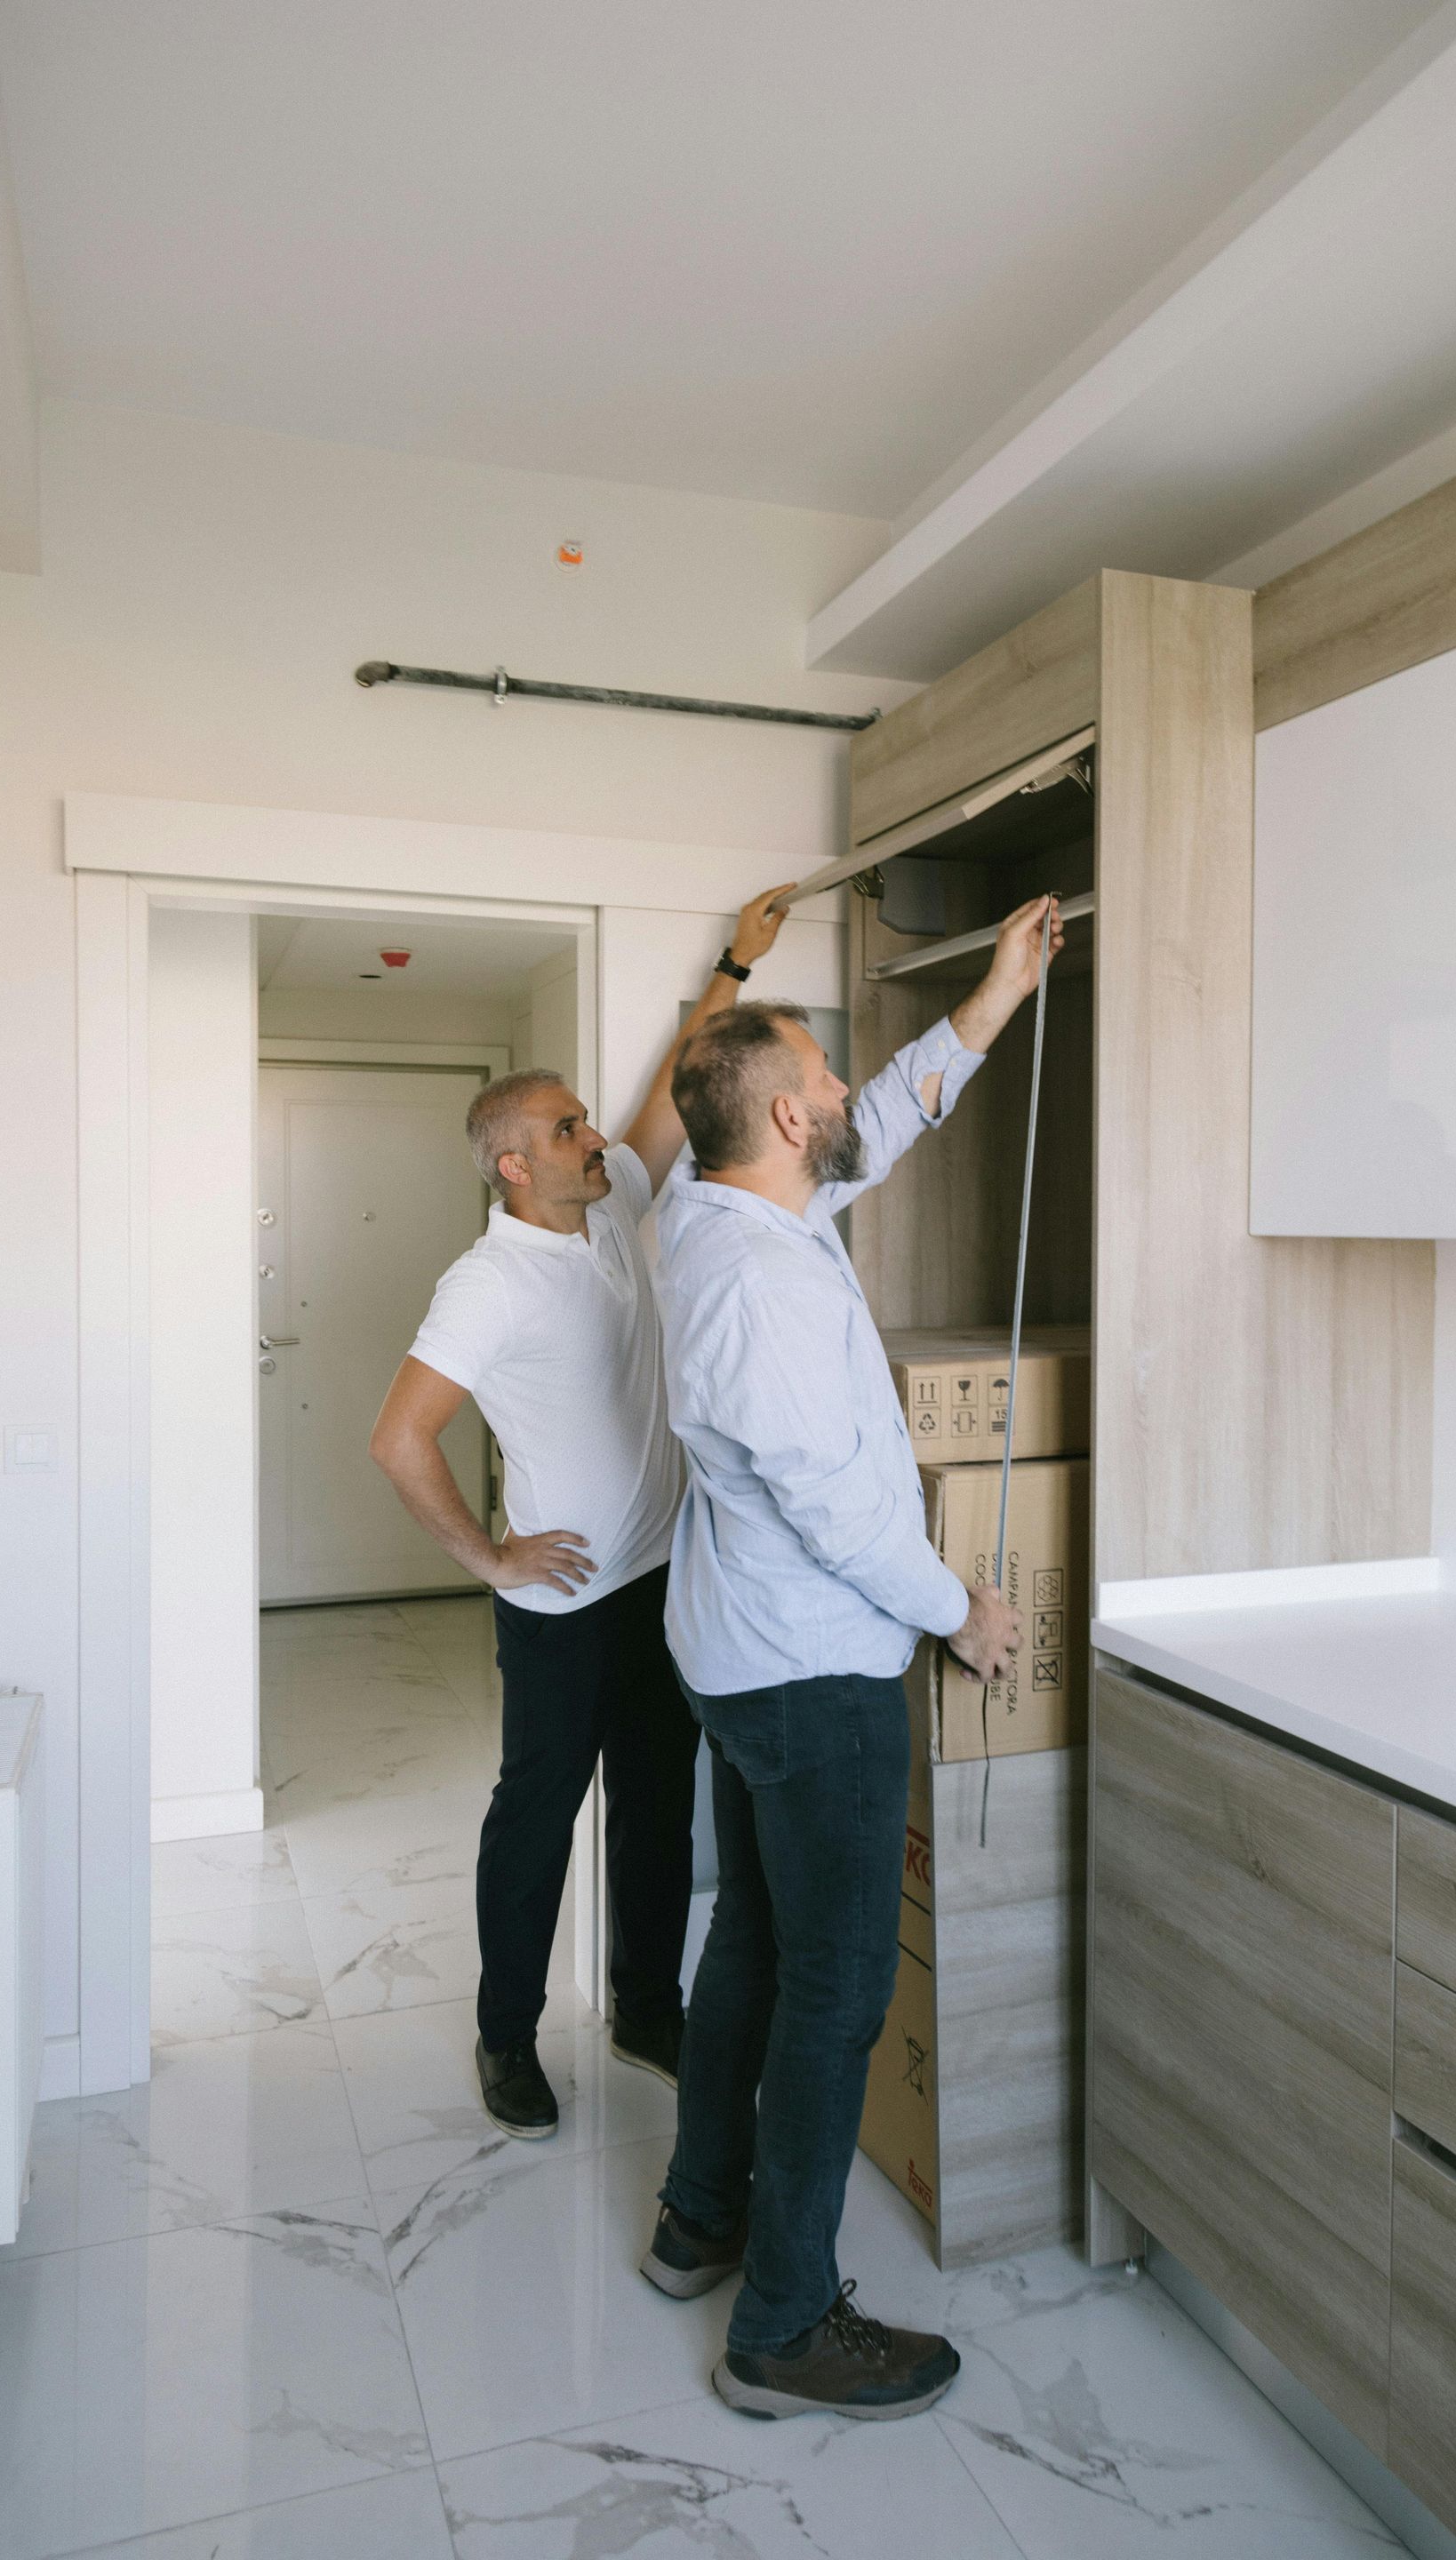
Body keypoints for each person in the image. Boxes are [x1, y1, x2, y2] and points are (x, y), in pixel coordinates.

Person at [638, 893, 1060, 2419]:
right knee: (832, 1990)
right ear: (777, 1115)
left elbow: (882, 1119)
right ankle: (786, 2324)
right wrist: (966, 1610)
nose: (840, 1088)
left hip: (742, 1660)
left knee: (752, 1936)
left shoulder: (722, 1199)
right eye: (820, 1074)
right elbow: (828, 1505)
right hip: (810, 1675)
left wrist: (998, 993)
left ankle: (701, 2220)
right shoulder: (752, 1277)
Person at [369, 882, 796, 2140]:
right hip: (560, 1605)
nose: (591, 1139)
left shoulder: (611, 1211)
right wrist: (491, 1555)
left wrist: (730, 963)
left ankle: (645, 2012)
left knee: (658, 1810)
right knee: (538, 1819)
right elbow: (399, 1438)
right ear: (514, 1163)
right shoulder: (486, 1283)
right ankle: (508, 2036)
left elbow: (665, 1099)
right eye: (565, 1129)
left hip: (663, 1577)